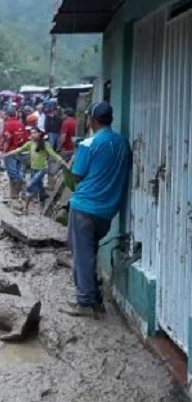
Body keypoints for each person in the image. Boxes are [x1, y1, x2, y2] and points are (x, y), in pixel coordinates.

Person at [62, 102, 131, 318]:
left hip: (84, 206)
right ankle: (95, 299)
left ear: (92, 120)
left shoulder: (88, 144)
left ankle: (84, 302)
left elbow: (76, 177)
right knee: (90, 254)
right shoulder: (123, 144)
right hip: (107, 211)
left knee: (82, 255)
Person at [4, 128, 63, 213]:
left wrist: (62, 161)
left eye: (34, 133)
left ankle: (25, 208)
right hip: (33, 168)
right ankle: (43, 197)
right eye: (31, 133)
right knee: (39, 186)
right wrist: (7, 154)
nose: (32, 134)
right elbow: (19, 149)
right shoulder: (30, 144)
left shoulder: (45, 144)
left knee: (30, 186)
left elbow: (52, 154)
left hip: (42, 169)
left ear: (39, 134)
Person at [1, 109, 29, 200]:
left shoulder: (8, 124)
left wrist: (4, 151)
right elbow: (25, 138)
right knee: (18, 172)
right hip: (20, 151)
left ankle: (14, 196)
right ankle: (20, 194)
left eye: (4, 114)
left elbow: (8, 138)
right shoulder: (21, 124)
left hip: (11, 151)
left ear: (7, 115)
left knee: (13, 174)